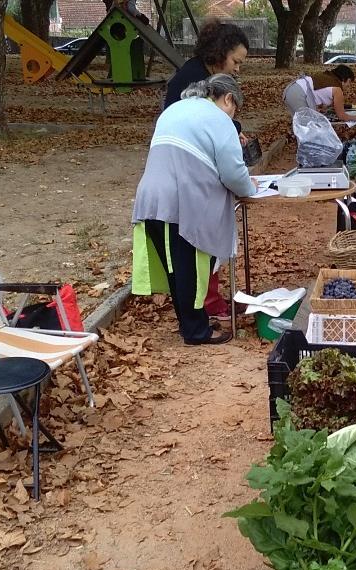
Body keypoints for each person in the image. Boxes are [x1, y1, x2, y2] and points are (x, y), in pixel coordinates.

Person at [131, 75, 256, 345]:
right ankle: (196, 331)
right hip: (181, 203)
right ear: (228, 99)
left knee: (177, 270)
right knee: (186, 269)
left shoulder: (174, 109)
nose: (233, 115)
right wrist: (251, 188)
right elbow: (233, 172)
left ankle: (192, 324)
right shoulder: (219, 118)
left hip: (153, 197)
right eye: (235, 109)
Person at [161, 20, 250, 321]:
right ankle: (206, 305)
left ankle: (208, 300)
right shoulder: (193, 79)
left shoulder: (206, 76)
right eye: (236, 61)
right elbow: (200, 125)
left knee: (202, 245)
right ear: (220, 52)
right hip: (186, 177)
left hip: (189, 174)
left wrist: (232, 129)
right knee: (197, 245)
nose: (238, 68)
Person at [283, 65, 356, 122]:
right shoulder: (337, 89)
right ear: (343, 78)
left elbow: (316, 93)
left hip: (291, 89)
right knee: (308, 126)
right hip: (298, 94)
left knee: (300, 124)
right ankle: (308, 146)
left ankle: (304, 145)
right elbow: (342, 116)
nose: (349, 86)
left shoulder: (328, 77)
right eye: (349, 82)